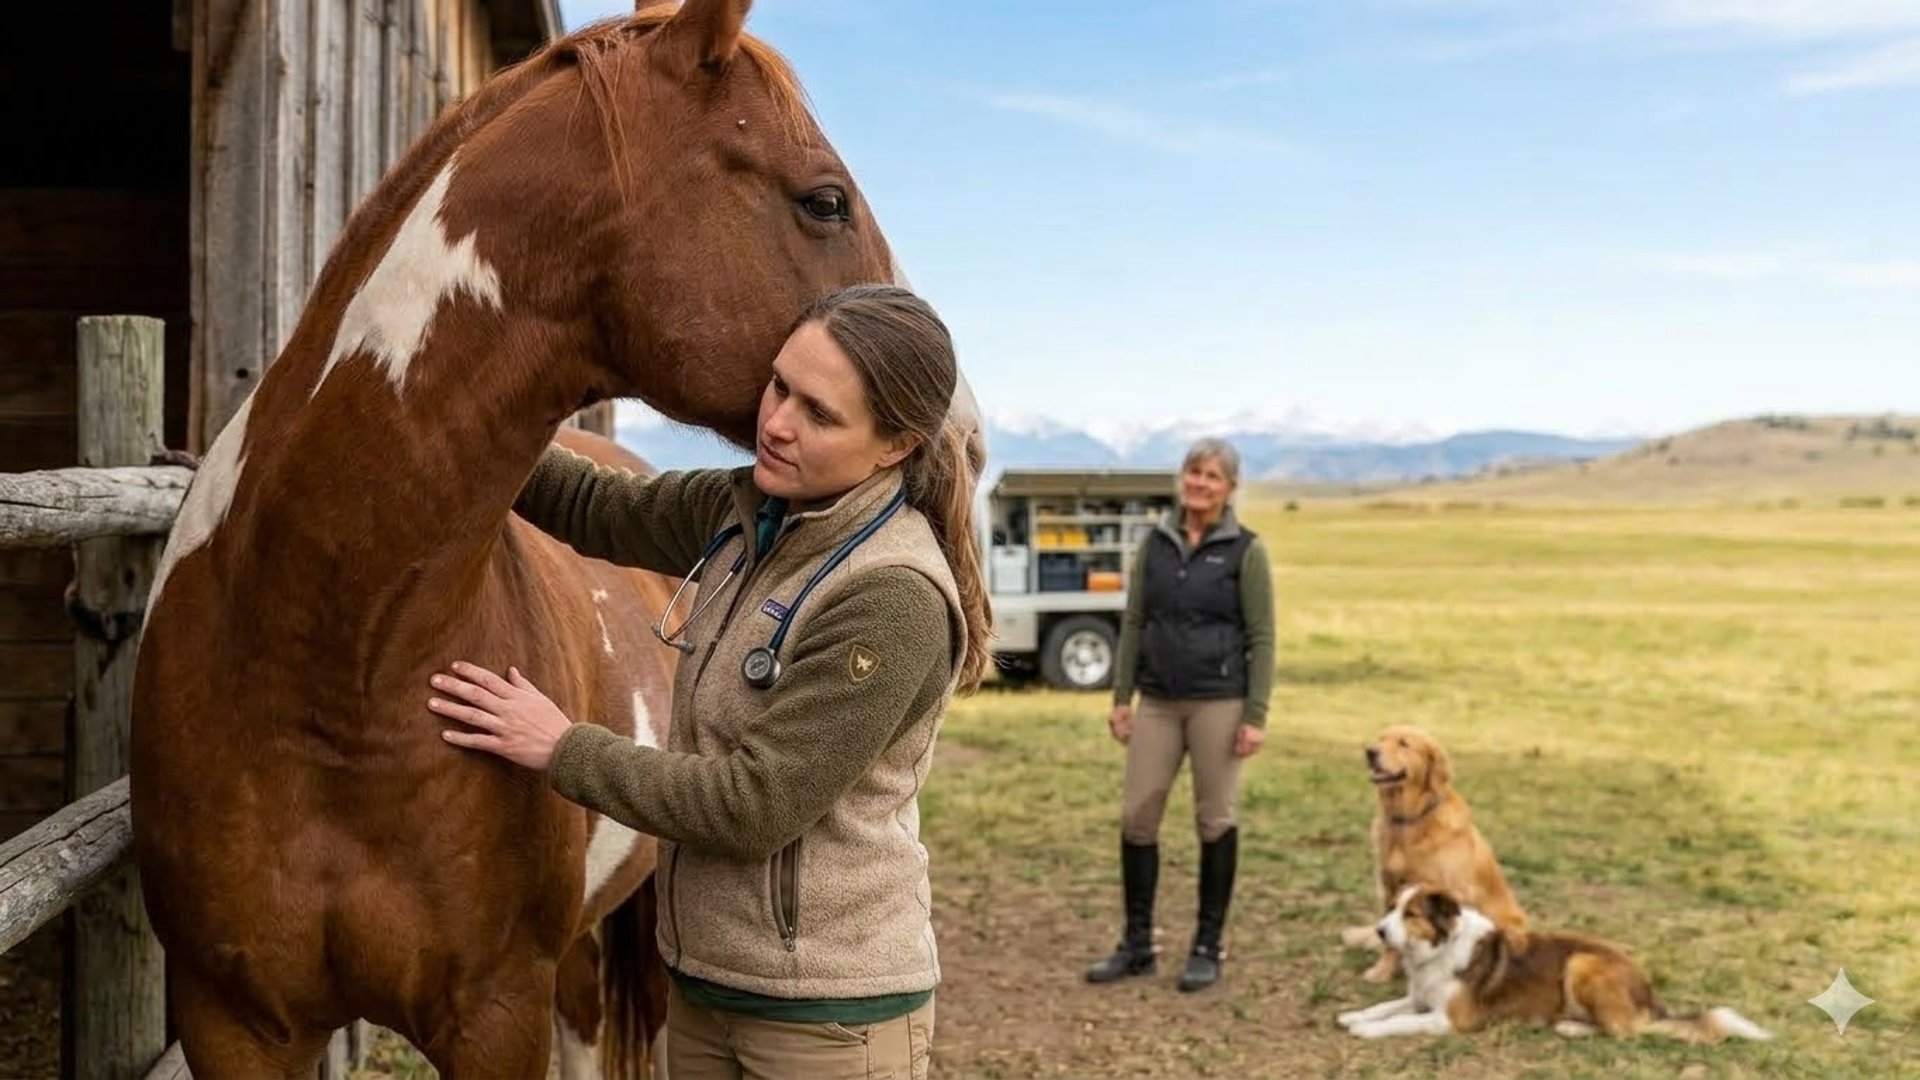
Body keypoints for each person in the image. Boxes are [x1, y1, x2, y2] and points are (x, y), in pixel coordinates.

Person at [423, 284, 990, 1079]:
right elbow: (591, 503)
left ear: (895, 445)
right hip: (709, 986)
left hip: (825, 1021)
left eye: (819, 414)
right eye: (780, 386)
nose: (777, 423)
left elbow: (753, 805)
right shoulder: (751, 514)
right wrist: (474, 407)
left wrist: (560, 746)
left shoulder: (889, 599)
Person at [1085, 437, 1275, 993]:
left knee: (1214, 819)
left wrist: (1255, 713)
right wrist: (1122, 698)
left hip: (1219, 701)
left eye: (1213, 476)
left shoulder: (1246, 550)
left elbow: (1262, 637)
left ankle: (1206, 946)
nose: (1200, 483)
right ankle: (1137, 944)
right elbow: (1136, 621)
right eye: (1194, 472)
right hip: (1158, 703)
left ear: (1230, 488)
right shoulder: (1156, 544)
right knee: (1137, 818)